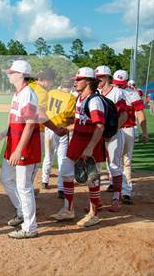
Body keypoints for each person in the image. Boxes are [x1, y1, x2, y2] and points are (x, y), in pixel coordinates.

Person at [51, 67, 105, 227]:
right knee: (66, 173)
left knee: (92, 179)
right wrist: (66, 129)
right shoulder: (79, 98)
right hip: (77, 141)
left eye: (78, 79)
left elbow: (100, 126)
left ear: (88, 81)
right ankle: (68, 209)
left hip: (90, 143)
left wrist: (90, 148)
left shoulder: (95, 100)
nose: (75, 82)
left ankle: (93, 214)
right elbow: (79, 122)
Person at [0, 60, 42, 239]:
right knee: (6, 178)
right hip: (13, 144)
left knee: (24, 187)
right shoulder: (17, 94)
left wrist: (19, 150)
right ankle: (22, 211)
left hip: (24, 148)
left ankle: (30, 228)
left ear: (21, 74)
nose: (9, 74)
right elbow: (16, 121)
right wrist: (1, 134)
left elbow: (30, 124)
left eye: (12, 72)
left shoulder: (28, 94)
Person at [112, 70, 149, 205]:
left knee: (126, 160)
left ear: (127, 82)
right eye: (116, 83)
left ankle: (126, 191)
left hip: (127, 129)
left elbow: (140, 113)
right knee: (112, 159)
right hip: (112, 130)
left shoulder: (133, 94)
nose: (119, 86)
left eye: (121, 83)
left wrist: (144, 132)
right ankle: (113, 184)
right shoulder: (110, 91)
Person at [95, 66, 128, 212]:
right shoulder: (96, 93)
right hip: (99, 133)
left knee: (114, 165)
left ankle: (116, 198)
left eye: (100, 78)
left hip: (114, 134)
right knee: (95, 165)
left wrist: (111, 132)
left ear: (108, 77)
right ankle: (96, 200)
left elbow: (124, 115)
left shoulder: (117, 92)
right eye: (96, 78)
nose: (97, 80)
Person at [41, 77, 76, 199]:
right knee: (62, 158)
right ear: (71, 86)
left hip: (48, 128)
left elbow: (43, 110)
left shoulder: (51, 92)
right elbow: (70, 118)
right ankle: (61, 188)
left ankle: (45, 181)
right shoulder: (71, 97)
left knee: (48, 156)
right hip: (61, 130)